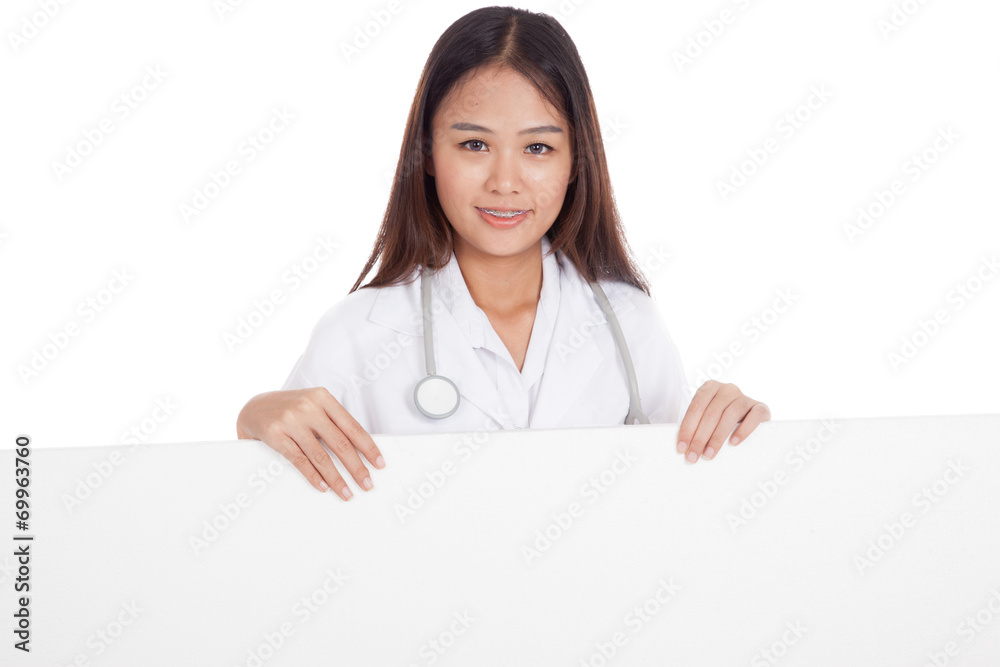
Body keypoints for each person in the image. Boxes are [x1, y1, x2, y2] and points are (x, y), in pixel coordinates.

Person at [236, 6, 770, 502]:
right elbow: (279, 518)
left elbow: (686, 500)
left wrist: (741, 434)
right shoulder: (357, 334)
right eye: (474, 145)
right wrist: (253, 423)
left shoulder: (629, 325)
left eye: (538, 147)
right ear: (426, 153)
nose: (505, 182)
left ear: (576, 161)